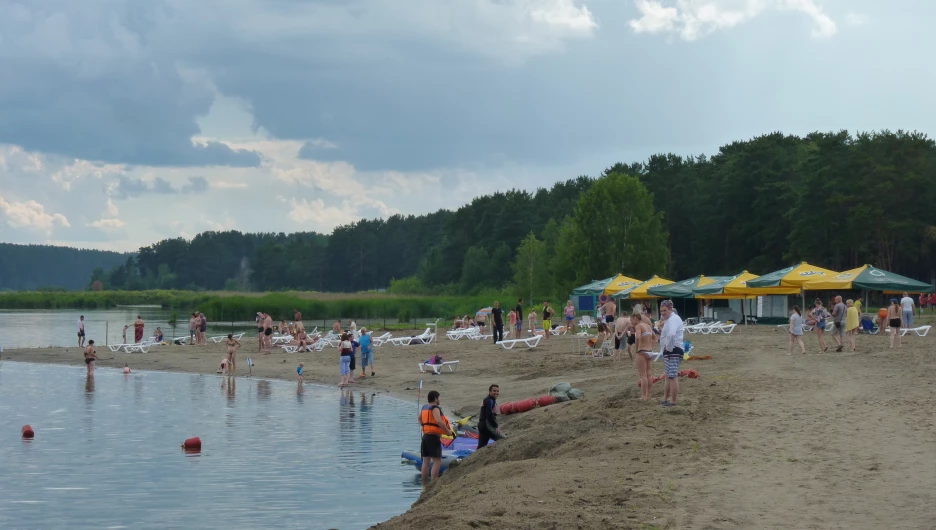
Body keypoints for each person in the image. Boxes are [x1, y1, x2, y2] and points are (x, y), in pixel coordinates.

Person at [418, 390, 455, 486]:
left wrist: (425, 426)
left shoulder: (424, 407)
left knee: (426, 462)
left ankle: (424, 485)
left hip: (425, 436)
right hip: (433, 437)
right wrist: (448, 431)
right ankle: (434, 484)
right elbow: (439, 421)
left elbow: (419, 418)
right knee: (437, 461)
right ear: (435, 398)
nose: (439, 399)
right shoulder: (435, 408)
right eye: (439, 397)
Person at [659, 300, 684, 407]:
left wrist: (668, 348)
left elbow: (671, 334)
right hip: (671, 349)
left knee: (672, 376)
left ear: (670, 309)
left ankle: (673, 401)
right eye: (661, 311)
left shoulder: (674, 319)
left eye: (664, 310)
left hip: (674, 349)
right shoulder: (670, 319)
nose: (662, 313)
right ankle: (665, 399)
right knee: (669, 376)